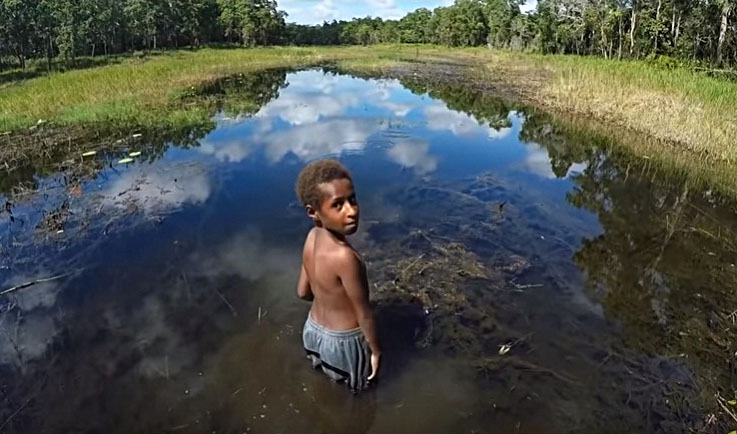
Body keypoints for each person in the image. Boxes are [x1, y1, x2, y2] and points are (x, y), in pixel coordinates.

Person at [295, 159, 381, 393]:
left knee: (324, 388)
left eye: (352, 200)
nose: (352, 211)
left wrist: (328, 298)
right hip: (344, 344)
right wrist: (375, 351)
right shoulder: (346, 258)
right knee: (359, 396)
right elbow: (364, 315)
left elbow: (302, 293)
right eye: (338, 205)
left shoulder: (311, 237)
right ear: (313, 212)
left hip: (312, 332)